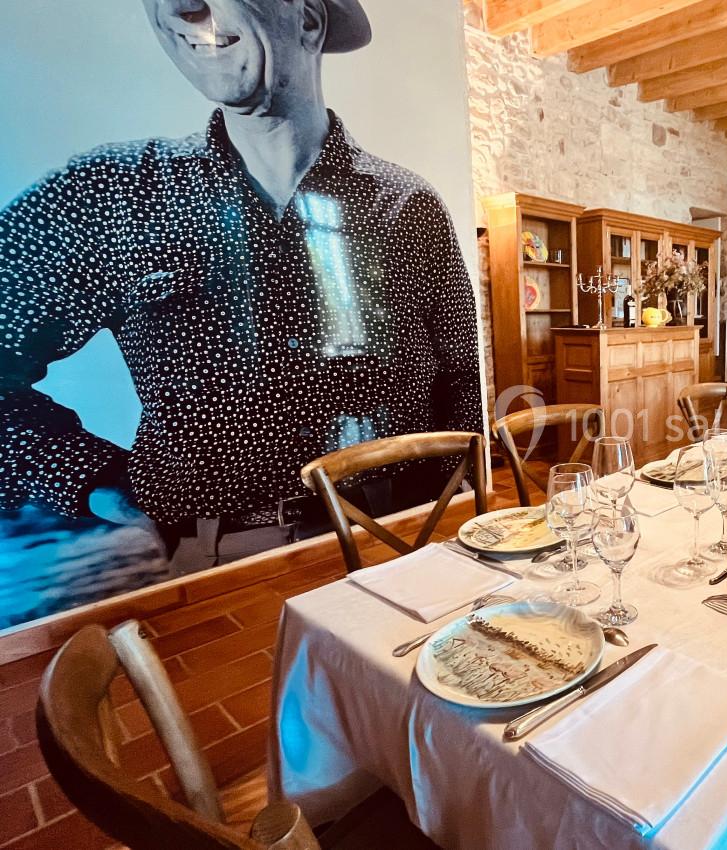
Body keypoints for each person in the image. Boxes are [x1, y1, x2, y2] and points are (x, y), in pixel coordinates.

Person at [0, 0, 482, 574]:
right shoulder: (111, 195)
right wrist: (95, 481)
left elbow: (459, 380)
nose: (180, 9)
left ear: (308, 19)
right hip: (212, 559)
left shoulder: (408, 204)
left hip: (401, 535)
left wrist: (463, 522)